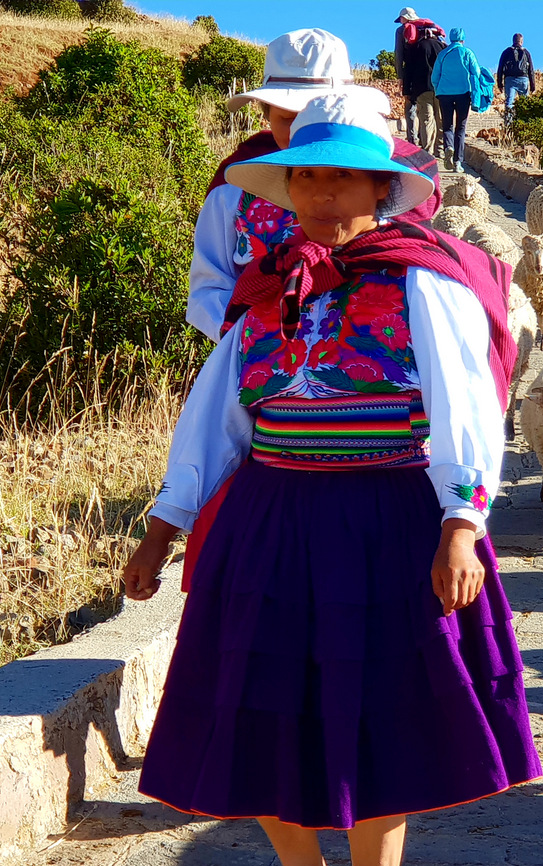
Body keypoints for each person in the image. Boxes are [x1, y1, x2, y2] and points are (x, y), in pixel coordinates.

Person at [125, 92, 543, 866]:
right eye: (303, 173)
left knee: (373, 714)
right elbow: (217, 414)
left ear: (379, 188)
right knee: (262, 708)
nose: (318, 188)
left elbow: (467, 400)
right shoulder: (268, 283)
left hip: (386, 520)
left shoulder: (423, 278)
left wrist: (461, 521)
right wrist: (166, 522)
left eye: (340, 174)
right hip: (270, 518)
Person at [172, 28, 443, 592]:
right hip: (260, 395)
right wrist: (260, 328)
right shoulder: (231, 195)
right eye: (280, 115)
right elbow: (208, 287)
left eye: (305, 113)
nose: (292, 129)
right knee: (248, 543)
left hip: (378, 428)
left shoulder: (375, 188)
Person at [392, 7, 446, 157]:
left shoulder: (403, 32)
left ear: (405, 18)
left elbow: (400, 56)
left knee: (418, 113)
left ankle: (414, 142)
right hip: (438, 85)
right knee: (439, 117)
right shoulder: (434, 35)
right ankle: (439, 149)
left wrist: (402, 78)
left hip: (418, 82)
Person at [430, 27, 482, 173]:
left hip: (444, 94)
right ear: (462, 39)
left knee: (447, 125)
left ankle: (448, 147)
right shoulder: (467, 53)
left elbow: (435, 77)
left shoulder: (443, 54)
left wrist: (438, 89)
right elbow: (476, 72)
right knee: (461, 126)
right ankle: (458, 162)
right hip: (463, 93)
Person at [495, 33, 535, 120]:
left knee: (509, 102)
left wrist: (499, 84)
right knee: (525, 103)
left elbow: (500, 68)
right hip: (523, 79)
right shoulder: (526, 52)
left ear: (513, 41)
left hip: (509, 80)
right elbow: (531, 70)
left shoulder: (506, 52)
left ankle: (508, 123)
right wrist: (532, 85)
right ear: (522, 41)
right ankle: (525, 122)